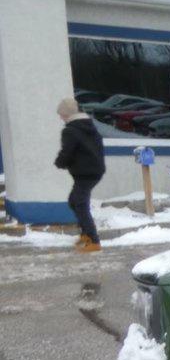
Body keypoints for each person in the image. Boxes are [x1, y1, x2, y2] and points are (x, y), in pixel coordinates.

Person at [53, 97, 106, 253]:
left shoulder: (70, 131)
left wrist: (59, 162)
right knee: (74, 201)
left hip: (85, 173)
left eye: (61, 115)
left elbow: (67, 152)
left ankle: (94, 241)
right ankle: (85, 234)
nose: (60, 118)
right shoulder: (89, 126)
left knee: (80, 204)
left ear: (67, 114)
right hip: (94, 170)